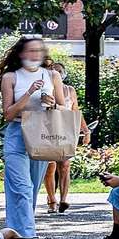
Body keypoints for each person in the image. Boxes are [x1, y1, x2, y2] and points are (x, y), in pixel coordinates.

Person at [0, 35, 63, 239]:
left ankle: (17, 232)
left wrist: (51, 104)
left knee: (32, 187)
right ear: (21, 53)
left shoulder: (52, 76)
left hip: (41, 133)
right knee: (21, 187)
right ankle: (27, 235)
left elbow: (64, 108)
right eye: (31, 51)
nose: (35, 55)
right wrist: (29, 93)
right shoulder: (11, 77)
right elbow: (7, 114)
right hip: (16, 133)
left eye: (38, 51)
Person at [36, 41, 85, 216]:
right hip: (47, 130)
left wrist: (85, 130)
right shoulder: (43, 89)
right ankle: (51, 199)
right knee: (49, 167)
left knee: (64, 165)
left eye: (59, 71)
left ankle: (64, 199)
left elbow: (76, 112)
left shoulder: (70, 90)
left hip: (65, 129)